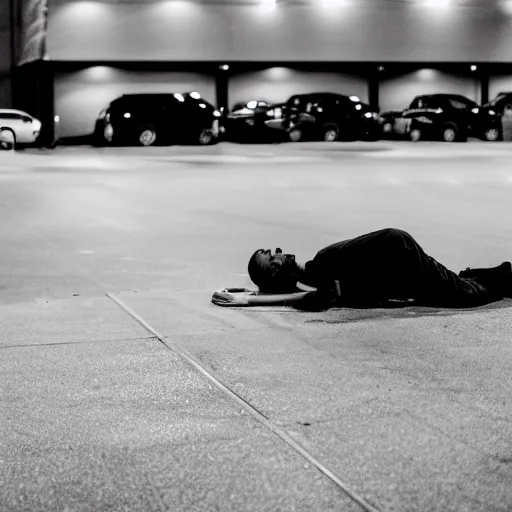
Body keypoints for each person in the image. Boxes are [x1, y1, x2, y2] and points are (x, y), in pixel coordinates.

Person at [247, 228, 512, 311]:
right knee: (453, 285)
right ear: (273, 273)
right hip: (397, 260)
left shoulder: (320, 266)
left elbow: (315, 298)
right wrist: (253, 299)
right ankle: (499, 273)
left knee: (464, 295)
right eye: (272, 256)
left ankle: (505, 277)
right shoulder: (314, 277)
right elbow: (314, 298)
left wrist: (250, 300)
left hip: (399, 254)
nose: (279, 251)